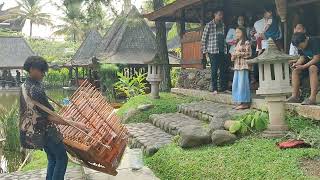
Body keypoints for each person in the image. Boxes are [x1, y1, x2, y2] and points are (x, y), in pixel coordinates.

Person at [19, 56, 89, 180]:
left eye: (44, 71)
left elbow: (42, 111)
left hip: (34, 132)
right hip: (46, 131)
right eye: (41, 70)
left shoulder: (24, 86)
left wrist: (64, 117)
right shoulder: (35, 88)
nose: (43, 74)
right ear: (31, 69)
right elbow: (50, 117)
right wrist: (77, 124)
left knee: (52, 158)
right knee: (62, 158)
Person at [287, 33, 320, 105]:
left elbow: (316, 58)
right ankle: (295, 96)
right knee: (295, 70)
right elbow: (302, 57)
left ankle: (312, 98)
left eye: (301, 46)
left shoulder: (314, 41)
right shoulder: (299, 46)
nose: (300, 48)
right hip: (312, 62)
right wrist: (297, 64)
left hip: (317, 61)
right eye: (299, 47)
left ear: (305, 40)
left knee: (312, 68)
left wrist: (304, 66)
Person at [201, 8, 228, 94]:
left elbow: (223, 38)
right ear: (215, 15)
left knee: (223, 69)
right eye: (219, 14)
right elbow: (203, 40)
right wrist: (205, 53)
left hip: (222, 50)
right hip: (212, 51)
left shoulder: (223, 25)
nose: (221, 16)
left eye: (222, 14)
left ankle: (223, 87)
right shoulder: (209, 25)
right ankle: (214, 88)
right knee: (214, 70)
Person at [231, 27, 252, 110]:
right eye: (236, 33)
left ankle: (245, 102)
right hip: (237, 66)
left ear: (243, 33)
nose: (237, 34)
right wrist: (233, 56)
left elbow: (249, 53)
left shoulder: (246, 42)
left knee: (243, 84)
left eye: (238, 32)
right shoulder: (236, 43)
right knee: (236, 84)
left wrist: (238, 54)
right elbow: (234, 55)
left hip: (243, 66)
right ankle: (239, 101)